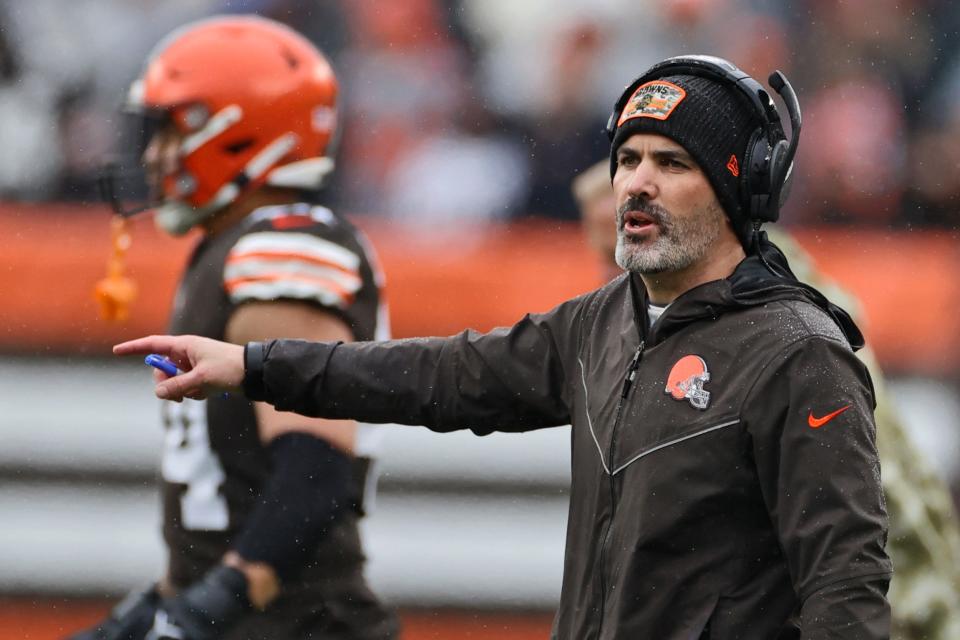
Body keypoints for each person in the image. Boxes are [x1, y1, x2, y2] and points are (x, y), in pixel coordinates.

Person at [115, 55, 893, 638]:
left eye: (672, 163)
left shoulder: (798, 354)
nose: (636, 184)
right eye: (627, 159)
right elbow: (438, 376)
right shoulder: (602, 322)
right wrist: (252, 366)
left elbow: (845, 584)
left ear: (740, 186)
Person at [70, 16, 398, 640]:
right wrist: (155, 609)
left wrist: (214, 604)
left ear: (238, 132)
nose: (153, 153)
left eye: (171, 129)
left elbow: (313, 475)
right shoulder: (231, 244)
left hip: (296, 624)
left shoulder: (283, 247)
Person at [573, 158, 960, 639]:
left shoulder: (780, 324)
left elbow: (878, 499)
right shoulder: (719, 308)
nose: (616, 270)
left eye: (619, 244)